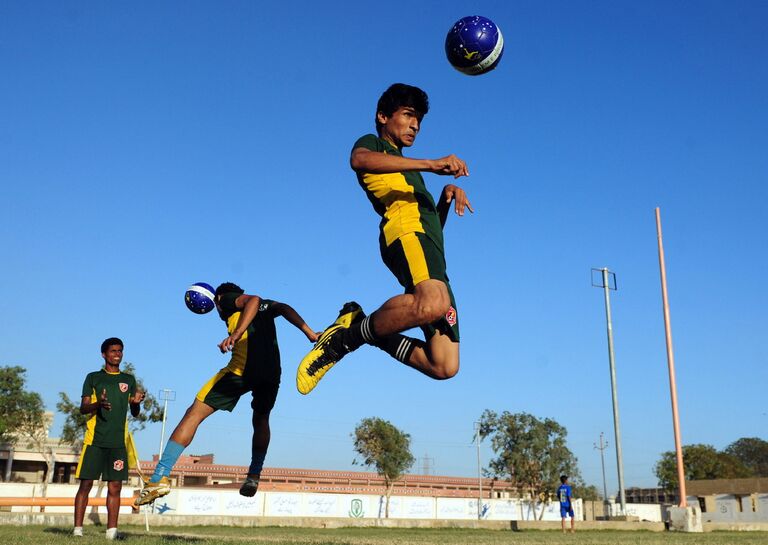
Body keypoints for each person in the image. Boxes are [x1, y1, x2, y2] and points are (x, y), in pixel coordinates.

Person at [297, 83, 472, 394]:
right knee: (433, 303)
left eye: (419, 119)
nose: (415, 125)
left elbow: (431, 230)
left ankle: (361, 324)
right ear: (382, 117)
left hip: (429, 252)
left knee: (444, 364)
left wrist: (443, 199)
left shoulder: (411, 173)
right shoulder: (375, 147)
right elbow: (359, 160)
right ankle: (345, 340)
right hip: (404, 234)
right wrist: (431, 164)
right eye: (408, 115)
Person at [136, 282, 318, 505]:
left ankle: (159, 477)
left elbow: (253, 299)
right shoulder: (266, 308)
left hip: (241, 370)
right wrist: (308, 332)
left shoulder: (227, 299)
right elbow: (284, 307)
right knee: (261, 419)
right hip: (271, 373)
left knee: (194, 413)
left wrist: (236, 333)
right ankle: (254, 474)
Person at [74, 337, 144, 540]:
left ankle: (111, 532)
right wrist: (98, 404)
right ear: (103, 354)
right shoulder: (93, 377)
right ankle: (78, 530)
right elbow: (83, 407)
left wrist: (137, 402)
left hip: (118, 443)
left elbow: (135, 411)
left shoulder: (128, 379)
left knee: (115, 486)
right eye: (113, 351)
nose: (117, 354)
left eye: (120, 351)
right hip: (94, 441)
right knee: (86, 485)